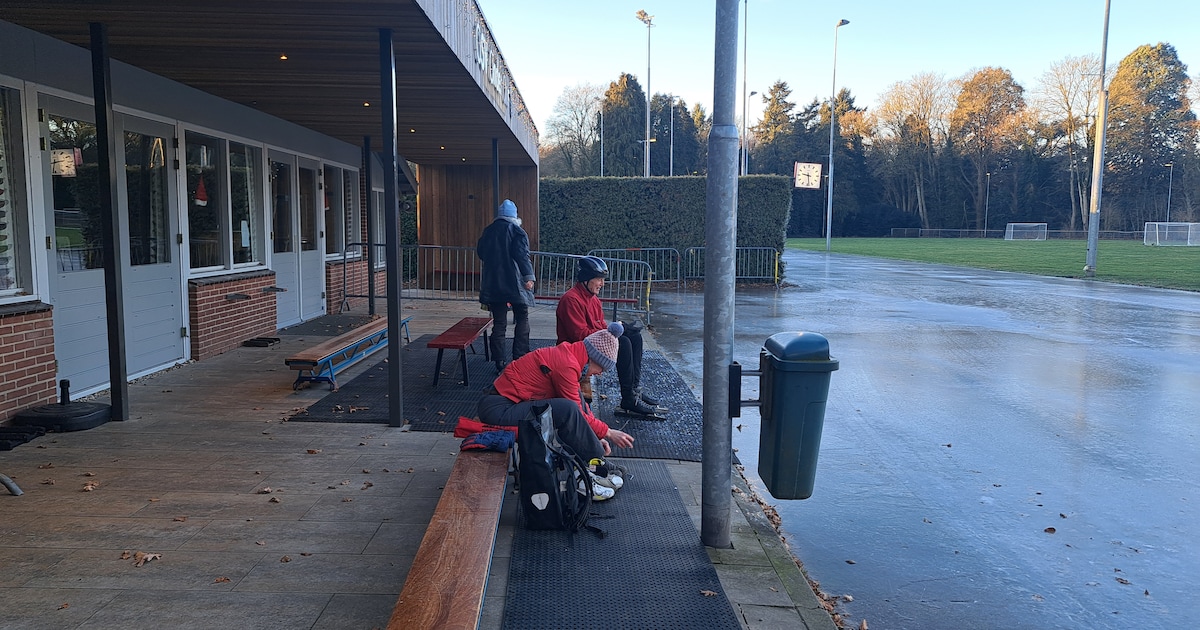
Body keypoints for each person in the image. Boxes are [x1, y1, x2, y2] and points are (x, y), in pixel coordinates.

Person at [477, 322, 634, 500]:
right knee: (567, 409)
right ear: (593, 358)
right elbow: (573, 410)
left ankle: (595, 464)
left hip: (507, 404)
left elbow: (581, 406)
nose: (599, 374)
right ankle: (596, 466)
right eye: (601, 369)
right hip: (499, 409)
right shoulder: (566, 365)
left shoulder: (571, 356)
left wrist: (596, 436)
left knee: (572, 406)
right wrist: (608, 432)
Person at [556, 256, 666, 419]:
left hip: (588, 347)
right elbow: (579, 336)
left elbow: (599, 328)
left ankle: (633, 390)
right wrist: (615, 332)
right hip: (574, 351)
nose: (602, 284)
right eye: (599, 279)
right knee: (623, 342)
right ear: (586, 279)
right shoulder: (571, 299)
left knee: (634, 337)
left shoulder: (593, 299)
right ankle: (628, 398)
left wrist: (621, 328)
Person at [477, 199, 535, 372]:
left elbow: (481, 252)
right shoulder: (517, 231)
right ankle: (520, 356)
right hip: (514, 283)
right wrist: (528, 277)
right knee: (522, 317)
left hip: (493, 284)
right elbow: (522, 256)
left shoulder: (488, 231)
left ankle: (499, 361)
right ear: (514, 216)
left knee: (499, 322)